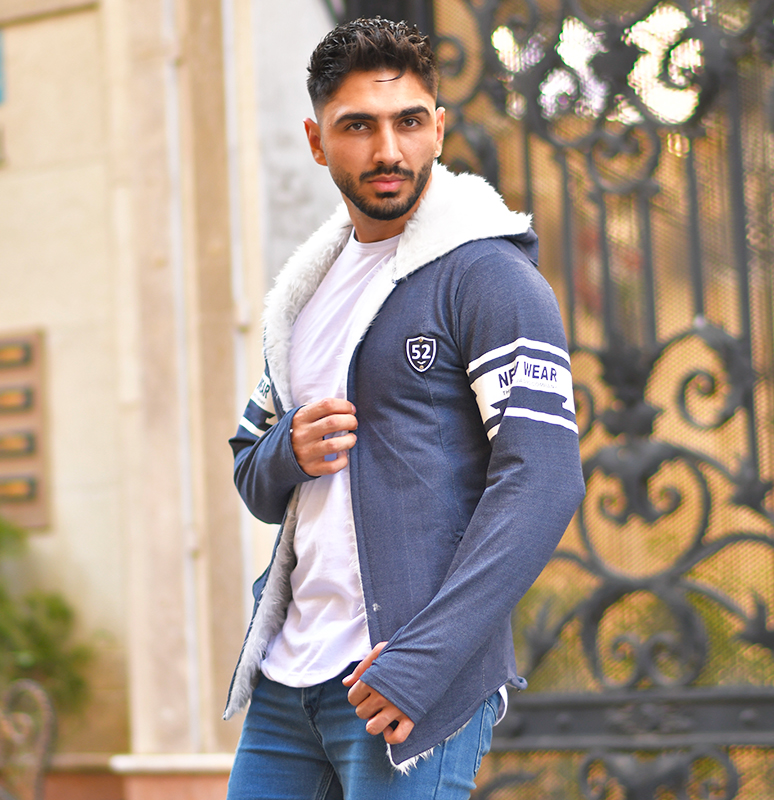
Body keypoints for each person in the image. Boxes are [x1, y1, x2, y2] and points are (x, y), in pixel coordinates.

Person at [224, 16, 584, 800]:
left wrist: (424, 663)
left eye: (409, 122)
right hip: (288, 681)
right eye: (358, 126)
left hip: (405, 682)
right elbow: (251, 472)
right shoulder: (303, 298)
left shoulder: (488, 277)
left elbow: (544, 480)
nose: (388, 150)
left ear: (438, 129)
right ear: (318, 142)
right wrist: (290, 448)